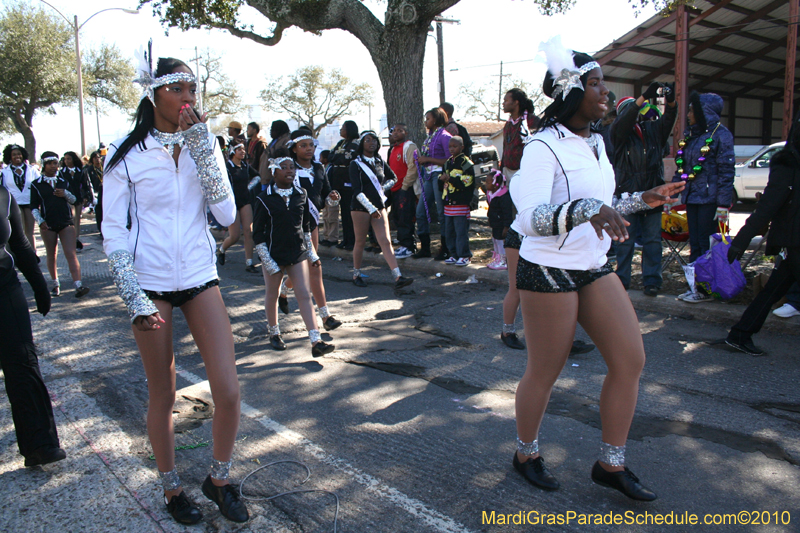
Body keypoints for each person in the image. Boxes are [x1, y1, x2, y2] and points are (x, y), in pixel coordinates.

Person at [510, 41, 684, 500]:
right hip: (547, 268)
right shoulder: (541, 146)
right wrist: (587, 207)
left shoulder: (598, 143)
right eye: (595, 84)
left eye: (604, 82)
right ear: (570, 92)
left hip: (592, 265)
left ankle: (611, 463)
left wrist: (644, 199)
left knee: (630, 360)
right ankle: (525, 453)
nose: (605, 91)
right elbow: (528, 218)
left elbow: (604, 206)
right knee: (544, 372)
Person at [102, 52, 248, 524]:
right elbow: (113, 230)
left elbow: (227, 216)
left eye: (193, 90)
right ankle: (171, 489)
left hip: (200, 276)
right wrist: (132, 293)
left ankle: (219, 480)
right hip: (149, 283)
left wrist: (202, 145)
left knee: (228, 390)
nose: (188, 99)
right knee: (162, 393)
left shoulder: (205, 141)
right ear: (155, 93)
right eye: (179, 90)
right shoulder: (125, 152)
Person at [724, 117, 800, 355]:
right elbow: (768, 205)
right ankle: (740, 334)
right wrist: (742, 239)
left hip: (793, 242)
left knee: (772, 291)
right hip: (793, 239)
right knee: (772, 291)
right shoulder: (788, 164)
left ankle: (740, 334)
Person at [0, 185, 64, 468]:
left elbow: (20, 244)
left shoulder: (3, 195)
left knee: (23, 362)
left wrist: (40, 286)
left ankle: (41, 443)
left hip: (4, 287)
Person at [253, 154, 336, 356]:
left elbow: (306, 228)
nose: (290, 170)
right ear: (274, 171)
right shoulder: (264, 198)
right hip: (273, 255)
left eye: (292, 167)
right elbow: (257, 234)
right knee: (272, 294)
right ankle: (274, 332)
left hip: (297, 253)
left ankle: (316, 341)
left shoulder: (301, 194)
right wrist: (268, 262)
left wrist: (312, 254)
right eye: (284, 167)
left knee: (304, 295)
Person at [611, 84, 677, 296]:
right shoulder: (618, 135)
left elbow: (669, 119)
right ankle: (622, 281)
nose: (637, 113)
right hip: (628, 197)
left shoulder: (652, 131)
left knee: (652, 241)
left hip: (652, 195)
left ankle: (651, 281)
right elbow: (626, 120)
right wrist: (642, 98)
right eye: (631, 110)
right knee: (625, 242)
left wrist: (671, 101)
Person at [672, 92, 735, 303]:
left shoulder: (721, 135)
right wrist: (672, 192)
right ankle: (695, 287)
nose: (688, 114)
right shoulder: (691, 135)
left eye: (691, 110)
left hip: (710, 199)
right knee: (695, 243)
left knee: (706, 244)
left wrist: (723, 205)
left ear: (702, 112)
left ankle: (707, 289)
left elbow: (727, 171)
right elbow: (682, 167)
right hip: (692, 197)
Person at [287, 129, 343, 331]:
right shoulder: (288, 169)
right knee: (306, 268)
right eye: (303, 145)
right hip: (291, 227)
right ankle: (324, 315)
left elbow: (325, 195)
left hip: (311, 227)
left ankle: (324, 315)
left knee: (311, 267)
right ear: (294, 149)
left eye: (311, 145)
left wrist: (333, 197)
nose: (308, 149)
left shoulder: (319, 168)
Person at [349, 131, 414, 290]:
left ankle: (397, 276)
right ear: (361, 143)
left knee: (385, 241)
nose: (371, 143)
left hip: (379, 205)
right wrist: (370, 208)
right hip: (361, 207)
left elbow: (393, 178)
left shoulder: (379, 161)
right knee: (360, 241)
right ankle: (356, 274)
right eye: (367, 140)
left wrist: (381, 190)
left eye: (374, 140)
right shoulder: (355, 164)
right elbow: (357, 190)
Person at [29, 152, 90, 298]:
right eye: (50, 163)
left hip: (65, 222)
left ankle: (78, 284)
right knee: (52, 254)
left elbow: (75, 200)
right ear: (44, 165)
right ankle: (56, 284)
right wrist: (40, 221)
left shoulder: (64, 181)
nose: (53, 166)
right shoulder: (36, 184)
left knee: (71, 253)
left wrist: (66, 194)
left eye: (55, 163)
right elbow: (33, 206)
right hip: (48, 224)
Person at [413, 108, 452, 259]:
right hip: (428, 176)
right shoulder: (429, 137)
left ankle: (445, 248)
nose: (425, 122)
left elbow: (449, 160)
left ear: (435, 120)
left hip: (440, 176)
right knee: (420, 211)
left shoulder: (444, 136)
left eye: (428, 119)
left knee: (442, 212)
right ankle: (425, 248)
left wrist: (428, 160)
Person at [217, 142, 260, 273]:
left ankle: (249, 263)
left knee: (249, 231)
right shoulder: (227, 167)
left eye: (243, 149)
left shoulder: (246, 166)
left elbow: (257, 176)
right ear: (232, 152)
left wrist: (249, 187)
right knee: (235, 236)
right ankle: (222, 249)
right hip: (232, 203)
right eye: (239, 149)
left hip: (245, 201)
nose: (243, 151)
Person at [441, 136, 475, 266]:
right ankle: (454, 254)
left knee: (461, 231)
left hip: (460, 204)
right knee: (449, 231)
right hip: (448, 204)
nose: (452, 149)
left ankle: (464, 255)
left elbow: (467, 182)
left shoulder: (466, 163)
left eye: (455, 146)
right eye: (450, 146)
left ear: (462, 147)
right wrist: (442, 179)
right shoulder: (447, 162)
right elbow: (442, 179)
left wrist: (449, 179)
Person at [1, 144, 40, 258]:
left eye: (19, 154)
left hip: (29, 203)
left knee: (30, 231)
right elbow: (3, 188)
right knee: (19, 232)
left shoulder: (32, 170)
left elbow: (38, 185)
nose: (17, 156)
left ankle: (33, 254)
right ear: (9, 157)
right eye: (14, 155)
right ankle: (20, 256)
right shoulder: (4, 172)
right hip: (14, 205)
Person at [388, 124, 419, 259]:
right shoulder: (393, 149)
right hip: (394, 189)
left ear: (406, 133)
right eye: (394, 131)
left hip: (405, 189)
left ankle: (409, 246)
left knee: (406, 217)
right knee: (397, 217)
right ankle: (402, 244)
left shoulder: (409, 147)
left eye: (399, 131)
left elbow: (413, 168)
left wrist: (405, 186)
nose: (395, 133)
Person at [329, 121, 360, 250]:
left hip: (349, 181)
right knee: (344, 213)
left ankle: (352, 240)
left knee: (349, 212)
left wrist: (337, 157)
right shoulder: (341, 143)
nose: (341, 130)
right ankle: (346, 239)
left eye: (343, 128)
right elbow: (331, 156)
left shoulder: (356, 143)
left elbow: (346, 158)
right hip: (338, 181)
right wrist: (337, 157)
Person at [500, 89, 539, 190]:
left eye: (506, 101)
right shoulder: (508, 124)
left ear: (516, 102)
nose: (503, 103)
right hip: (508, 173)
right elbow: (505, 148)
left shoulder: (532, 121)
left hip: (526, 173)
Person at [60, 151, 93, 251]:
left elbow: (85, 184)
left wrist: (87, 196)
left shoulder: (81, 171)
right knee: (71, 219)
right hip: (67, 199)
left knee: (77, 220)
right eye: (65, 159)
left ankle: (76, 239)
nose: (66, 161)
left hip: (78, 198)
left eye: (68, 159)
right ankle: (70, 240)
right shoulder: (62, 172)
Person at [484, 170, 513, 270]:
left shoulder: (503, 197)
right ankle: (497, 258)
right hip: (495, 222)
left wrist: (506, 226)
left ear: (496, 184)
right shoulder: (490, 194)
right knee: (495, 240)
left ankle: (503, 261)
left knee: (500, 242)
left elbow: (507, 213)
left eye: (488, 182)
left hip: (501, 224)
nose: (485, 184)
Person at [260, 120, 292, 185]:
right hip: (265, 176)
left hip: (273, 177)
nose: (270, 131)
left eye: (272, 129)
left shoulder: (286, 141)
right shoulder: (274, 141)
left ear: (278, 130)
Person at [84, 150, 104, 235]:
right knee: (99, 211)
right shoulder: (89, 170)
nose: (97, 159)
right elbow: (88, 183)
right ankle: (101, 230)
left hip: (106, 190)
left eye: (98, 157)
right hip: (96, 192)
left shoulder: (105, 167)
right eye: (95, 158)